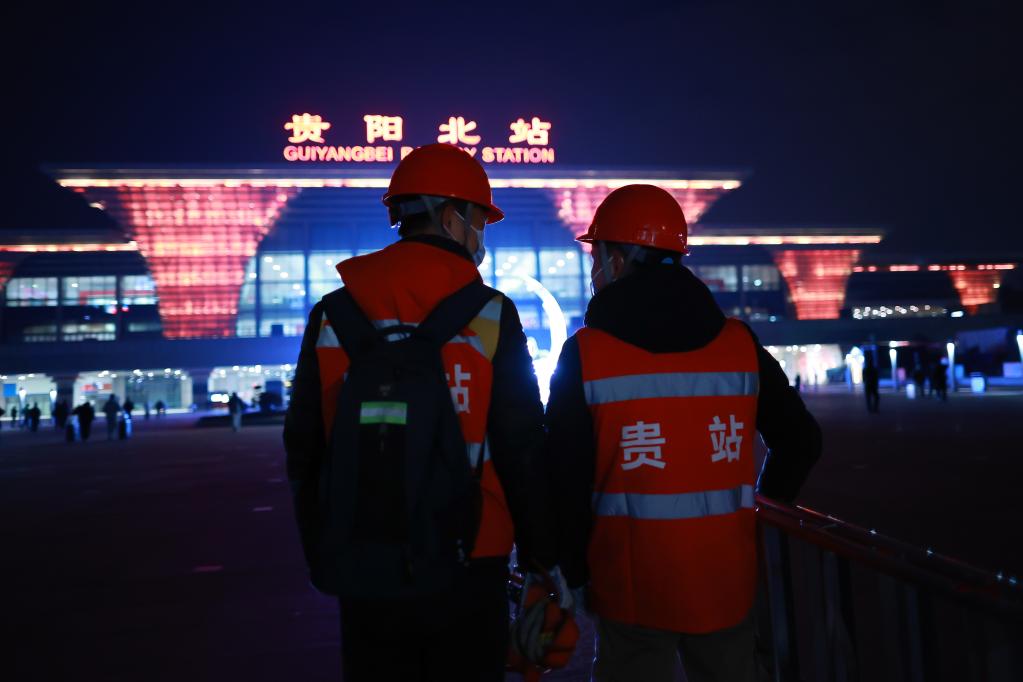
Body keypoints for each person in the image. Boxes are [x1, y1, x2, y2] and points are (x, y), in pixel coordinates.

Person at [283, 143, 562, 681]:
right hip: (473, 551)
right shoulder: (490, 313)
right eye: (480, 220)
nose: (481, 236)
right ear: (453, 218)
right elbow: (522, 444)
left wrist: (323, 546)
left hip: (364, 552)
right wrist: (541, 557)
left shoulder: (334, 313)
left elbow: (304, 445)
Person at [546, 185, 823, 682]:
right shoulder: (739, 345)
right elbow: (801, 441)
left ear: (619, 258)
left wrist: (573, 569)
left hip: (630, 586)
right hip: (726, 580)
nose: (593, 269)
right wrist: (755, 514)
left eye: (597, 253)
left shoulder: (585, 353)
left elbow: (562, 477)